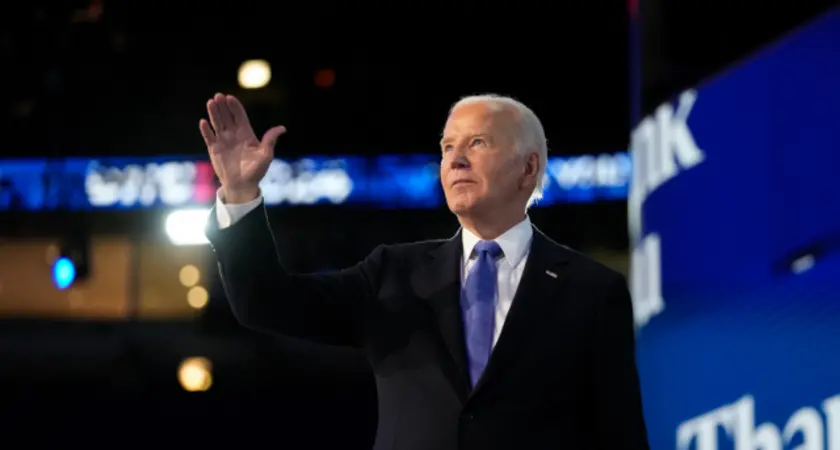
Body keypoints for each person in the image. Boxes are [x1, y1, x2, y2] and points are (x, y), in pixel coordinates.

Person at [201, 92, 649, 450]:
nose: (455, 160)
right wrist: (240, 194)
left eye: (477, 143)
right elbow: (265, 302)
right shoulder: (392, 274)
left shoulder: (592, 290)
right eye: (448, 147)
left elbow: (620, 436)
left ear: (528, 167)